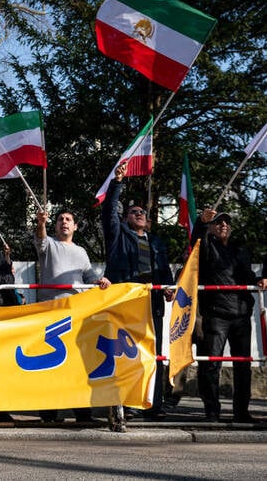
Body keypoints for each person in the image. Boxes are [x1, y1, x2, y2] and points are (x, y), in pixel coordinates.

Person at [101, 162, 172, 422]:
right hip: (128, 303)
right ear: (126, 218)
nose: (139, 214)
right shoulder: (119, 235)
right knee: (129, 353)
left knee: (155, 354)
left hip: (152, 304)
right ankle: (128, 404)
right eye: (134, 212)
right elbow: (109, 212)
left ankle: (154, 404)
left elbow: (164, 270)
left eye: (142, 212)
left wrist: (168, 288)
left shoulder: (156, 242)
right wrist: (117, 183)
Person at [34, 208, 110, 423]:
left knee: (77, 363)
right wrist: (41, 223)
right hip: (50, 311)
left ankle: (82, 414)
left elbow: (89, 275)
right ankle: (48, 415)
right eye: (60, 219)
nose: (64, 222)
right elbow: (40, 238)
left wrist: (100, 280)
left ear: (75, 226)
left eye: (68, 219)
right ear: (55, 225)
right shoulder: (48, 244)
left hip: (75, 313)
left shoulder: (81, 251)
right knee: (50, 362)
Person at [193, 209, 264, 423]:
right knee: (211, 364)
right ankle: (212, 412)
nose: (223, 225)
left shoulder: (239, 249)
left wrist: (260, 280)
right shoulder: (206, 246)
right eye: (218, 222)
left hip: (241, 315)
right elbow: (197, 241)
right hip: (216, 315)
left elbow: (247, 275)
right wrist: (201, 222)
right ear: (211, 227)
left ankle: (241, 413)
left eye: (226, 222)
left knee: (243, 366)